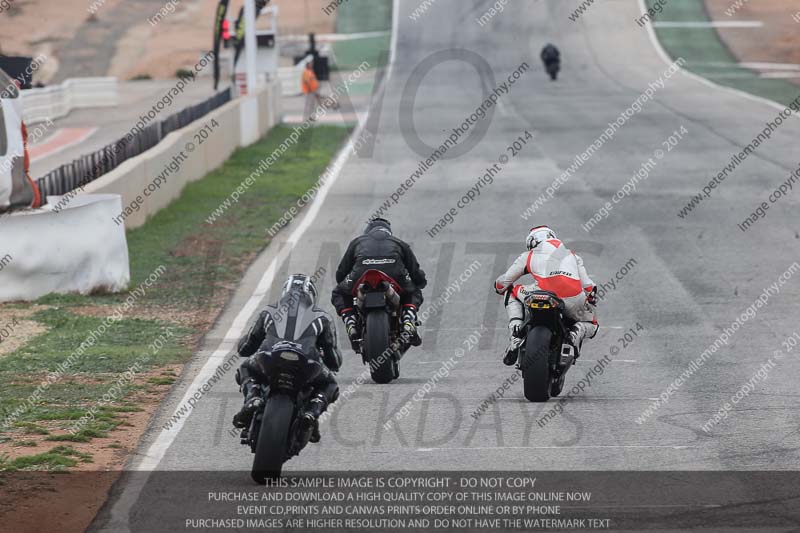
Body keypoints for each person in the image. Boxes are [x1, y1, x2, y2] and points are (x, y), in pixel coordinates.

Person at [233, 274, 341, 443]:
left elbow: (245, 347)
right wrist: (327, 359)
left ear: (285, 292)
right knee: (330, 383)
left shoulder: (268, 311)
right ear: (312, 296)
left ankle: (253, 397)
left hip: (269, 358)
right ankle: (311, 413)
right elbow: (334, 359)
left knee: (246, 368)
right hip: (306, 363)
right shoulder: (323, 317)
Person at [494, 226, 598, 366]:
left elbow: (504, 282)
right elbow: (589, 287)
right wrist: (590, 300)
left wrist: (498, 286)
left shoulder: (529, 255)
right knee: (592, 324)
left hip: (541, 292)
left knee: (511, 291)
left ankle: (515, 333)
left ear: (532, 242)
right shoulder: (572, 255)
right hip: (574, 297)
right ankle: (577, 331)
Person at [331, 218, 427, 350]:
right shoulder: (399, 243)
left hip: (361, 275)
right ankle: (408, 320)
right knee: (413, 291)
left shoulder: (357, 242)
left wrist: (345, 282)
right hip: (395, 276)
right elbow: (415, 272)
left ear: (368, 231)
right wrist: (420, 282)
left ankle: (351, 322)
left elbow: (341, 273)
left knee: (339, 292)